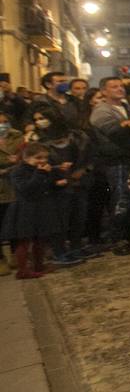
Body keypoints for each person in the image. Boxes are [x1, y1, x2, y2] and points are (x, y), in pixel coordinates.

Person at [89, 76, 130, 255]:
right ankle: (117, 238)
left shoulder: (126, 107)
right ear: (104, 91)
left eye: (121, 86)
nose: (120, 89)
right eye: (114, 86)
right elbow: (117, 132)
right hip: (116, 161)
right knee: (120, 199)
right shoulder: (101, 111)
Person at [27, 103, 94, 265]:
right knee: (59, 221)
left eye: (42, 118)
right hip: (55, 187)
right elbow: (35, 163)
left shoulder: (77, 136)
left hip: (79, 182)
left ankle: (76, 246)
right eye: (36, 119)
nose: (39, 122)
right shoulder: (38, 141)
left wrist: (83, 170)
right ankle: (60, 251)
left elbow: (90, 157)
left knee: (79, 217)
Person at [1, 142, 64, 278]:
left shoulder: (41, 170)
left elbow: (45, 186)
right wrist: (41, 173)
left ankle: (39, 266)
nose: (43, 161)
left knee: (40, 238)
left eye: (45, 158)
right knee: (24, 240)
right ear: (26, 157)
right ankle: (22, 270)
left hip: (40, 207)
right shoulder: (18, 171)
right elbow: (26, 189)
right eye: (38, 158)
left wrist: (57, 183)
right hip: (25, 209)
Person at [0, 112, 23, 275]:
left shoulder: (17, 136)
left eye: (5, 122)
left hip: (14, 186)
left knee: (15, 223)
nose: (2, 125)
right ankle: (1, 259)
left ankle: (17, 255)